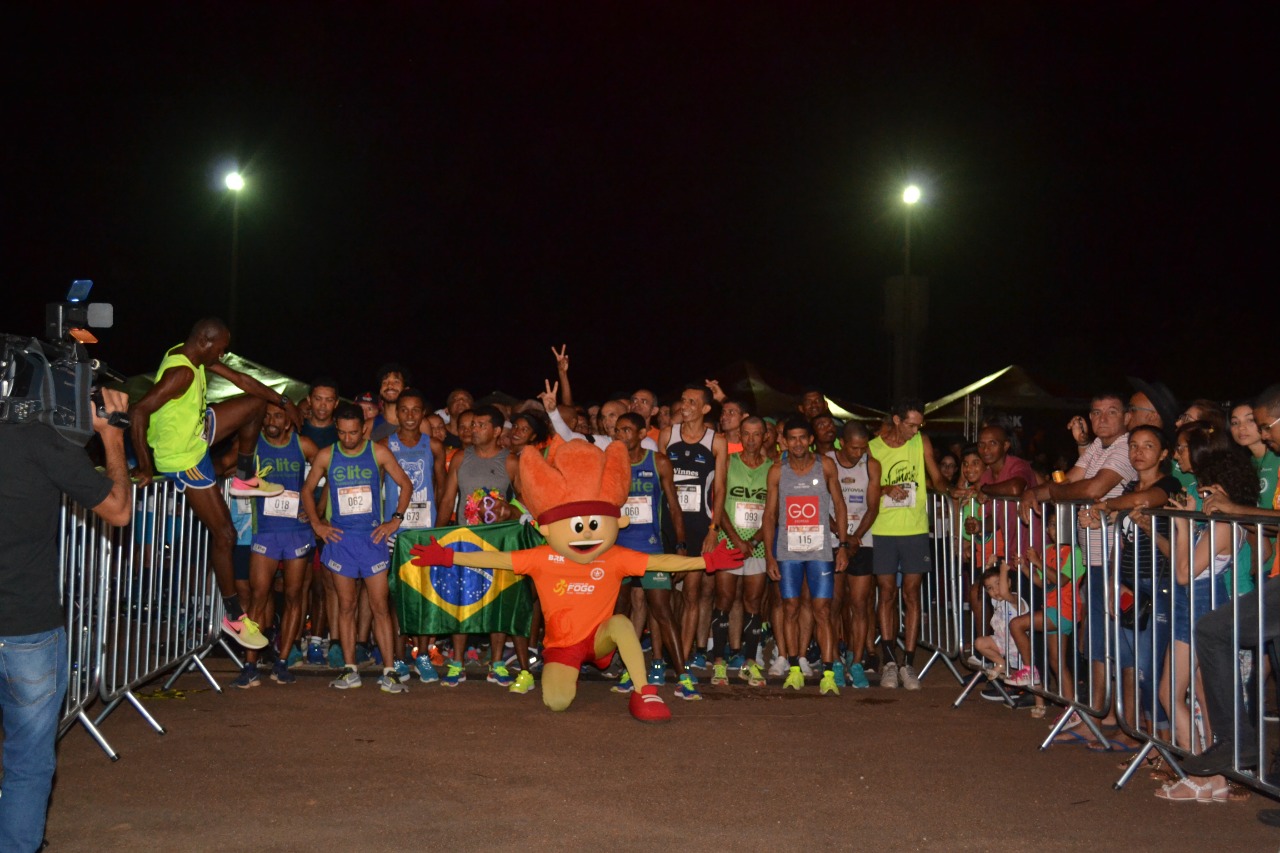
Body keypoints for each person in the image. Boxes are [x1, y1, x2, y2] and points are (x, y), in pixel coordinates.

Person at [410, 439, 744, 722]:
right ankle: (569, 676)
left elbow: (661, 562)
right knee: (556, 703)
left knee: (622, 623)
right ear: (547, 530)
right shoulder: (543, 557)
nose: (585, 534)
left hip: (599, 639)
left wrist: (706, 561)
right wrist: (448, 556)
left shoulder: (613, 557)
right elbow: (493, 559)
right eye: (576, 526)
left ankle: (644, 692)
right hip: (562, 647)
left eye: (594, 525)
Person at [0, 388, 133, 852]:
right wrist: (112, 435)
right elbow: (118, 509)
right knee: (27, 761)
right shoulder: (36, 441)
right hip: (26, 629)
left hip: (26, 630)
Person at [128, 318, 295, 650]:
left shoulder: (191, 353)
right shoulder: (184, 372)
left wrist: (283, 402)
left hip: (197, 430)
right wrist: (145, 465)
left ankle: (244, 477)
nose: (224, 352)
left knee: (256, 404)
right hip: (183, 457)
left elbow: (243, 380)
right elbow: (138, 411)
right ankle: (233, 616)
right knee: (225, 535)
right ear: (206, 342)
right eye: (221, 347)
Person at [1020, 392, 1136, 718]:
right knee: (1098, 641)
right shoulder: (1099, 446)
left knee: (1119, 643)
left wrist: (1053, 493)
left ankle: (1111, 717)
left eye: (1112, 411)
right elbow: (1072, 480)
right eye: (1096, 412)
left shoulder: (1127, 447)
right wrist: (1031, 493)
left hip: (1117, 559)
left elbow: (1091, 489)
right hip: (1096, 559)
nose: (1102, 418)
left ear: (1127, 417)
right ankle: (1099, 714)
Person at [300, 403, 414, 693]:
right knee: (346, 606)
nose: (348, 439)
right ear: (337, 430)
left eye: (353, 433)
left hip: (372, 539)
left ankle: (389, 671)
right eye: (342, 433)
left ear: (363, 428)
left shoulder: (378, 452)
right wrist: (317, 525)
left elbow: (405, 484)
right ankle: (350, 670)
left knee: (380, 607)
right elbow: (307, 490)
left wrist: (395, 521)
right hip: (340, 541)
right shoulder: (327, 455)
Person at [435, 404, 523, 687]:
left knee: (497, 602)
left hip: (499, 542)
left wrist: (511, 511)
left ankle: (496, 663)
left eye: (481, 425)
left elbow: (526, 503)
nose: (474, 429)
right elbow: (449, 499)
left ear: (497, 431)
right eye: (473, 425)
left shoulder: (510, 461)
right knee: (461, 601)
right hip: (464, 541)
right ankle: (457, 663)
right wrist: (437, 536)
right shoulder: (461, 457)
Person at [612, 412, 698, 699]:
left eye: (626, 430)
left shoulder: (658, 461)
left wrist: (682, 546)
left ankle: (683, 675)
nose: (620, 435)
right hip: (619, 550)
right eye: (617, 430)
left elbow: (674, 506)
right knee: (621, 614)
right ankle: (630, 672)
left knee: (662, 611)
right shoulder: (611, 462)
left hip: (651, 548)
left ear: (640, 434)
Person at [235, 403, 320, 687]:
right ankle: (250, 664)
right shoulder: (253, 443)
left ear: (289, 422)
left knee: (295, 595)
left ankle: (282, 662)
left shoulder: (302, 444)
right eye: (267, 415)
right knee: (259, 596)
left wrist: (315, 507)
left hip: (297, 530)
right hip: (266, 531)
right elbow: (228, 465)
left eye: (278, 416)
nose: (271, 420)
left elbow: (331, 467)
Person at [762, 417, 849, 695]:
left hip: (820, 551)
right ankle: (794, 668)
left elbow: (839, 504)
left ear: (810, 439)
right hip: (788, 551)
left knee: (822, 609)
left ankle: (827, 672)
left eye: (803, 437)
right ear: (784, 441)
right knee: (790, 608)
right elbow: (770, 515)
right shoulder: (777, 471)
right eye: (792, 438)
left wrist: (843, 545)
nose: (798, 443)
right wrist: (770, 556)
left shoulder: (825, 465)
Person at [868, 399, 950, 690]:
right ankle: (889, 661)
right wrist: (885, 488)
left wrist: (954, 490)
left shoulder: (920, 442)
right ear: (896, 420)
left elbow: (937, 477)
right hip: (883, 530)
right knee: (887, 593)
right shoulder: (873, 447)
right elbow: (866, 487)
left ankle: (909, 664)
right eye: (911, 424)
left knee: (912, 594)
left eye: (919, 425)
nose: (916, 430)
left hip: (915, 529)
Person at [378, 388, 446, 684]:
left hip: (424, 532)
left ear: (423, 414)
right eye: (403, 410)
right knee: (395, 597)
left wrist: (439, 527)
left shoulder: (435, 446)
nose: (409, 416)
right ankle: (397, 658)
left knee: (425, 596)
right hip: (394, 532)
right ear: (396, 413)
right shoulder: (383, 445)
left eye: (415, 410)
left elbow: (442, 488)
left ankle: (421, 655)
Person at [659, 384, 729, 667]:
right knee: (663, 596)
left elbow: (721, 489)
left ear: (705, 409)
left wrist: (714, 529)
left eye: (691, 401)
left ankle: (683, 659)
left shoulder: (717, 442)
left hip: (700, 524)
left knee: (692, 594)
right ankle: (663, 655)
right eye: (683, 399)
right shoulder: (667, 435)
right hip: (668, 524)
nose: (684, 404)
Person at [714, 415, 774, 687]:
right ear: (739, 434)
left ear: (765, 436)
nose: (751, 439)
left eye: (756, 434)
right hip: (729, 542)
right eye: (746, 434)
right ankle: (718, 662)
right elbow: (719, 505)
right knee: (724, 600)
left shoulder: (773, 469)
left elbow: (772, 512)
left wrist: (756, 541)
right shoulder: (727, 462)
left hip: (758, 547)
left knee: (753, 603)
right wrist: (737, 540)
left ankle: (750, 663)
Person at [831, 420, 880, 688]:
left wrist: (855, 538)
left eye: (863, 448)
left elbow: (873, 507)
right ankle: (835, 659)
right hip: (831, 540)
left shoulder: (871, 465)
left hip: (861, 541)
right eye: (853, 448)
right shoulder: (828, 462)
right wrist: (842, 537)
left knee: (860, 605)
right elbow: (821, 503)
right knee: (834, 604)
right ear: (842, 443)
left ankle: (857, 661)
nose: (858, 453)